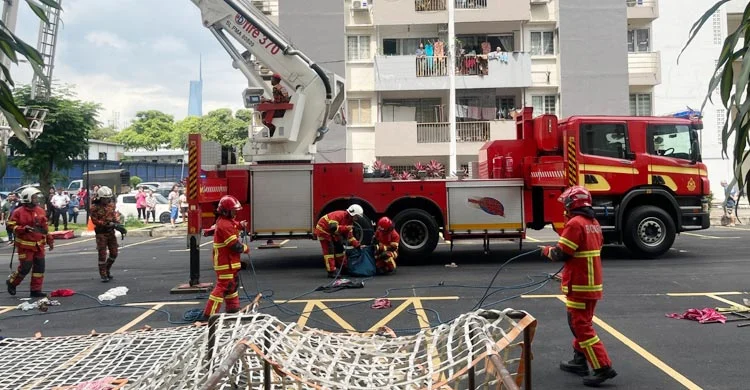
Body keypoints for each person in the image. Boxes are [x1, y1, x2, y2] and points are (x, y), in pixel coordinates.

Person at [541, 186, 616, 387]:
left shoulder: (575, 224)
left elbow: (562, 253)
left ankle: (603, 367)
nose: (564, 208)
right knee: (580, 323)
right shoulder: (594, 223)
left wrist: (546, 251)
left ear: (571, 204)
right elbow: (585, 253)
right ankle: (579, 360)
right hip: (590, 284)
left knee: (581, 326)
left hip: (580, 286)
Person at [201, 195, 249, 319]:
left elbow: (234, 224)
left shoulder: (227, 221)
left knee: (232, 285)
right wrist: (245, 248)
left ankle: (233, 308)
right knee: (223, 286)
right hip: (225, 263)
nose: (235, 213)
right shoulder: (224, 225)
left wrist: (240, 224)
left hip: (229, 262)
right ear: (226, 211)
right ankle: (209, 315)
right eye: (233, 211)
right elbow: (234, 246)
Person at [6, 187, 53, 297]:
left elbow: (44, 228)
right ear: (27, 198)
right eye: (34, 197)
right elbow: (10, 226)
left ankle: (35, 290)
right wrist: (23, 229)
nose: (36, 199)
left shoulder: (40, 210)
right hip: (25, 246)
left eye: (36, 197)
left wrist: (50, 240)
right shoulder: (18, 212)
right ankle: (12, 282)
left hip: (39, 245)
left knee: (39, 268)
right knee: (25, 268)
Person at [314, 205, 363, 278]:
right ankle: (331, 271)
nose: (357, 219)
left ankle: (343, 268)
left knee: (340, 249)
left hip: (333, 233)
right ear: (353, 214)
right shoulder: (339, 215)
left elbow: (350, 237)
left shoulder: (350, 222)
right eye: (357, 216)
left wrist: (358, 245)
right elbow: (333, 228)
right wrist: (346, 228)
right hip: (323, 230)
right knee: (329, 251)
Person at [89, 186, 121, 282]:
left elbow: (114, 217)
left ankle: (107, 269)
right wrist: (106, 223)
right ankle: (103, 274)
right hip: (101, 233)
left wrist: (117, 224)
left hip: (111, 232)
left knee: (114, 253)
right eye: (105, 198)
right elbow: (95, 221)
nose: (107, 200)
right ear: (100, 197)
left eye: (108, 198)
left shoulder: (111, 205)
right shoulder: (94, 207)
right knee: (102, 255)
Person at [260, 73, 291, 137]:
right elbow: (284, 99)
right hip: (284, 109)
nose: (271, 81)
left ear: (275, 80)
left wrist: (266, 100)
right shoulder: (282, 87)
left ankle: (270, 130)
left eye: (271, 79)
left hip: (279, 110)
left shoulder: (276, 88)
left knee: (263, 115)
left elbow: (277, 101)